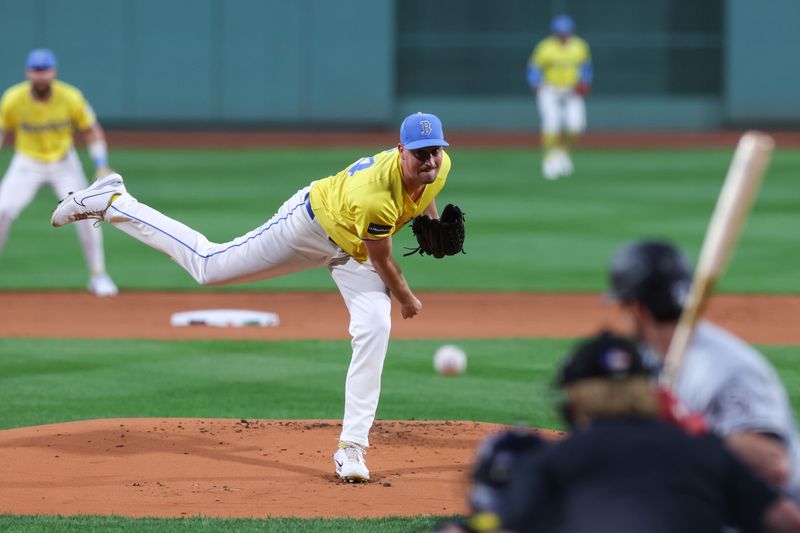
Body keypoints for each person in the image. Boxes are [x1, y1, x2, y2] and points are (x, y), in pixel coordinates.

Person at [50, 112, 453, 482]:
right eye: (420, 154)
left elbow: (425, 190)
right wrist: (407, 300)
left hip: (354, 248)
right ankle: (114, 202)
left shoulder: (439, 166)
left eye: (434, 151)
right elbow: (385, 265)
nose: (430, 161)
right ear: (401, 150)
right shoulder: (374, 195)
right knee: (209, 266)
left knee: (374, 325)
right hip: (308, 227)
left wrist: (432, 220)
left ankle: (352, 448)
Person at [451, 331, 800, 533]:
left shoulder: (558, 459)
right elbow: (787, 520)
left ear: (575, 399)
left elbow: (506, 525)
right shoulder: (706, 451)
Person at [607, 239, 800, 504]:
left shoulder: (721, 367)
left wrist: (688, 427)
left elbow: (775, 467)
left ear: (637, 308)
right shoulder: (650, 356)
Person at [0, 48, 117, 296]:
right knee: (1, 210)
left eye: (45, 70)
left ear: (53, 72)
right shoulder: (13, 98)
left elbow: (91, 129)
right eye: (36, 70)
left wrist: (101, 163)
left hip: (64, 164)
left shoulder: (70, 97)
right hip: (27, 163)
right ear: (28, 72)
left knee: (86, 214)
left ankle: (98, 275)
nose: (41, 75)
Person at [526, 14, 592, 180]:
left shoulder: (579, 46)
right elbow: (534, 68)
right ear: (555, 32)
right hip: (550, 89)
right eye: (560, 32)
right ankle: (549, 159)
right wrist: (535, 83)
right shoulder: (545, 47)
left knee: (576, 125)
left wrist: (585, 82)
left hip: (571, 90)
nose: (563, 35)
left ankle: (563, 153)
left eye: (566, 32)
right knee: (551, 124)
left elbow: (586, 68)